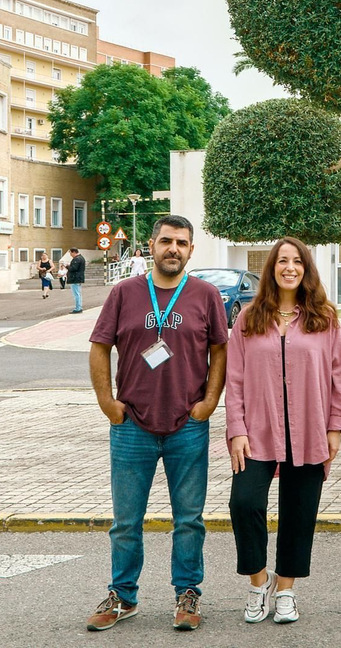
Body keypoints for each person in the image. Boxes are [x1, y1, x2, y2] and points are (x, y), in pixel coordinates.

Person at [87, 215, 229, 632]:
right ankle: (123, 596)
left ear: (190, 250)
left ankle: (187, 595)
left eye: (182, 243)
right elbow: (99, 347)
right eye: (166, 241)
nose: (174, 249)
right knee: (126, 522)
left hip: (187, 424)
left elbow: (220, 351)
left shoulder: (205, 295)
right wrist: (106, 403)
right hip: (132, 424)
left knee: (189, 519)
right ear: (151, 245)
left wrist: (208, 403)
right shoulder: (124, 293)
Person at [226, 236, 341, 625]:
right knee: (244, 503)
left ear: (306, 269)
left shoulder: (324, 317)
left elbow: (338, 377)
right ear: (272, 268)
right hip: (257, 431)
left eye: (297, 261)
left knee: (299, 512)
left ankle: (285, 590)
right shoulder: (248, 318)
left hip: (309, 429)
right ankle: (258, 582)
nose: (289, 267)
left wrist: (335, 427)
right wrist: (236, 429)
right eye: (282, 261)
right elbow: (235, 379)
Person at [66, 247, 88, 313]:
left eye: (71, 253)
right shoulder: (81, 258)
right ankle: (79, 307)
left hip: (75, 278)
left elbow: (73, 268)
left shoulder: (77, 259)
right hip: (78, 278)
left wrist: (67, 266)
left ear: (74, 252)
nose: (70, 255)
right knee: (78, 293)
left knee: (76, 294)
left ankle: (78, 308)